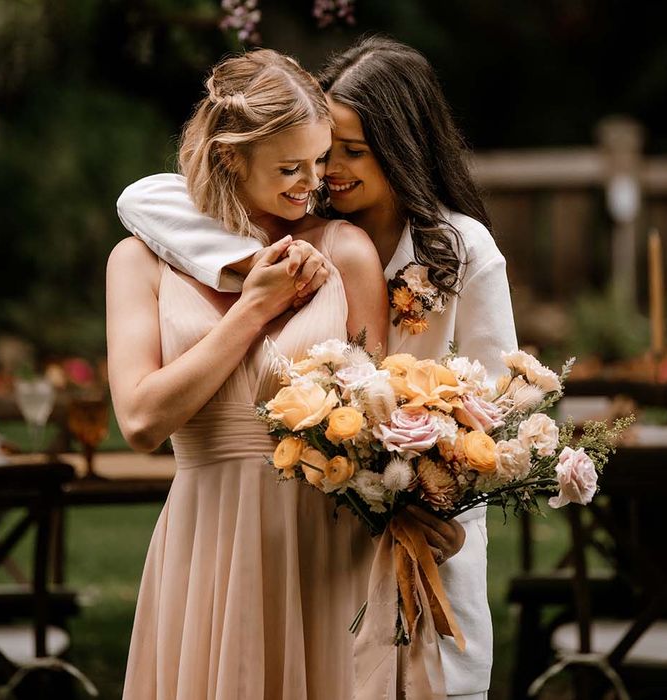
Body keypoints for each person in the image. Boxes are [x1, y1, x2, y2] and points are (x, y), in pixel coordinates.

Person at [117, 37, 517, 700]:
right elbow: (140, 198)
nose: (322, 176)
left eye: (341, 155)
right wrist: (251, 280)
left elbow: (496, 414)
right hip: (214, 534)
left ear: (402, 150)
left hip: (384, 528)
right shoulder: (274, 236)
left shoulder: (427, 249)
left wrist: (436, 502)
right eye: (308, 161)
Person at [108, 48, 390, 700]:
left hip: (320, 550)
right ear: (231, 156)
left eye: (320, 161)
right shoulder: (138, 263)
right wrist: (255, 307)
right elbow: (142, 420)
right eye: (289, 167)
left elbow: (381, 416)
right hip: (204, 544)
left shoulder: (344, 252)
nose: (312, 183)